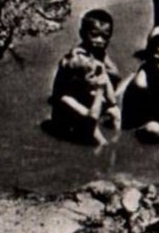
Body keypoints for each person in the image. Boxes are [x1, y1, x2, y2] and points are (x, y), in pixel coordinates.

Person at [50, 10, 121, 145]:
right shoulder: (77, 59)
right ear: (82, 34)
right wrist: (99, 88)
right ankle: (105, 148)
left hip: (88, 94)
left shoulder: (98, 52)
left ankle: (118, 140)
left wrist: (103, 71)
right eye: (94, 35)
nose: (100, 41)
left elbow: (116, 74)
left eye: (105, 37)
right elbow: (64, 72)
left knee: (115, 112)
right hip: (68, 103)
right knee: (93, 130)